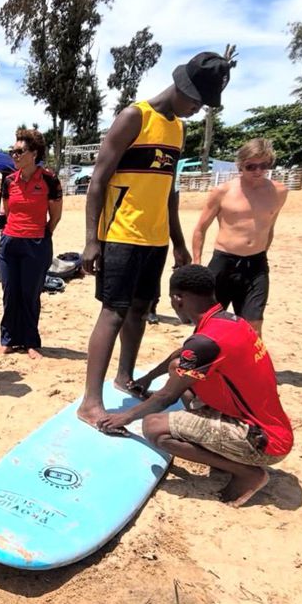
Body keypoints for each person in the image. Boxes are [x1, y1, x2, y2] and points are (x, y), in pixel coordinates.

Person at [78, 51, 233, 430]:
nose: (197, 110)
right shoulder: (135, 117)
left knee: (139, 309)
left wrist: (177, 241)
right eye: (197, 102)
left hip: (155, 239)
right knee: (113, 312)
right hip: (119, 234)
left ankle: (124, 377)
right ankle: (90, 402)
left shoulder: (177, 129)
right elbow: (98, 180)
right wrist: (91, 240)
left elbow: (169, 192)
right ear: (183, 88)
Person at [97, 265, 293, 508]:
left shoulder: (205, 342)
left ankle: (247, 473)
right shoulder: (228, 321)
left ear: (178, 299)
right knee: (177, 368)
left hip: (263, 442)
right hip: (269, 424)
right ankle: (224, 450)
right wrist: (147, 378)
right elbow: (180, 356)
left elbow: (167, 397)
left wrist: (124, 417)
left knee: (154, 427)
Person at [192, 138, 287, 336]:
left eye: (264, 166)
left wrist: (260, 254)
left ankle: (247, 358)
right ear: (240, 165)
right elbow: (201, 228)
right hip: (224, 263)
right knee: (209, 322)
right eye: (251, 166)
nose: (258, 171)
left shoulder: (279, 192)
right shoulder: (222, 191)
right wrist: (197, 263)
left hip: (256, 265)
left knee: (253, 326)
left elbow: (269, 228)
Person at [0, 128, 63, 359]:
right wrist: (15, 231)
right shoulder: (9, 181)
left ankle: (30, 342)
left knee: (30, 294)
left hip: (36, 243)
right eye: (13, 151)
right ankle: (8, 339)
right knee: (10, 292)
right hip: (10, 242)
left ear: (34, 153)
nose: (14, 156)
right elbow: (8, 211)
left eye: (19, 151)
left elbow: (55, 215)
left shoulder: (49, 180)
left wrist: (43, 234)